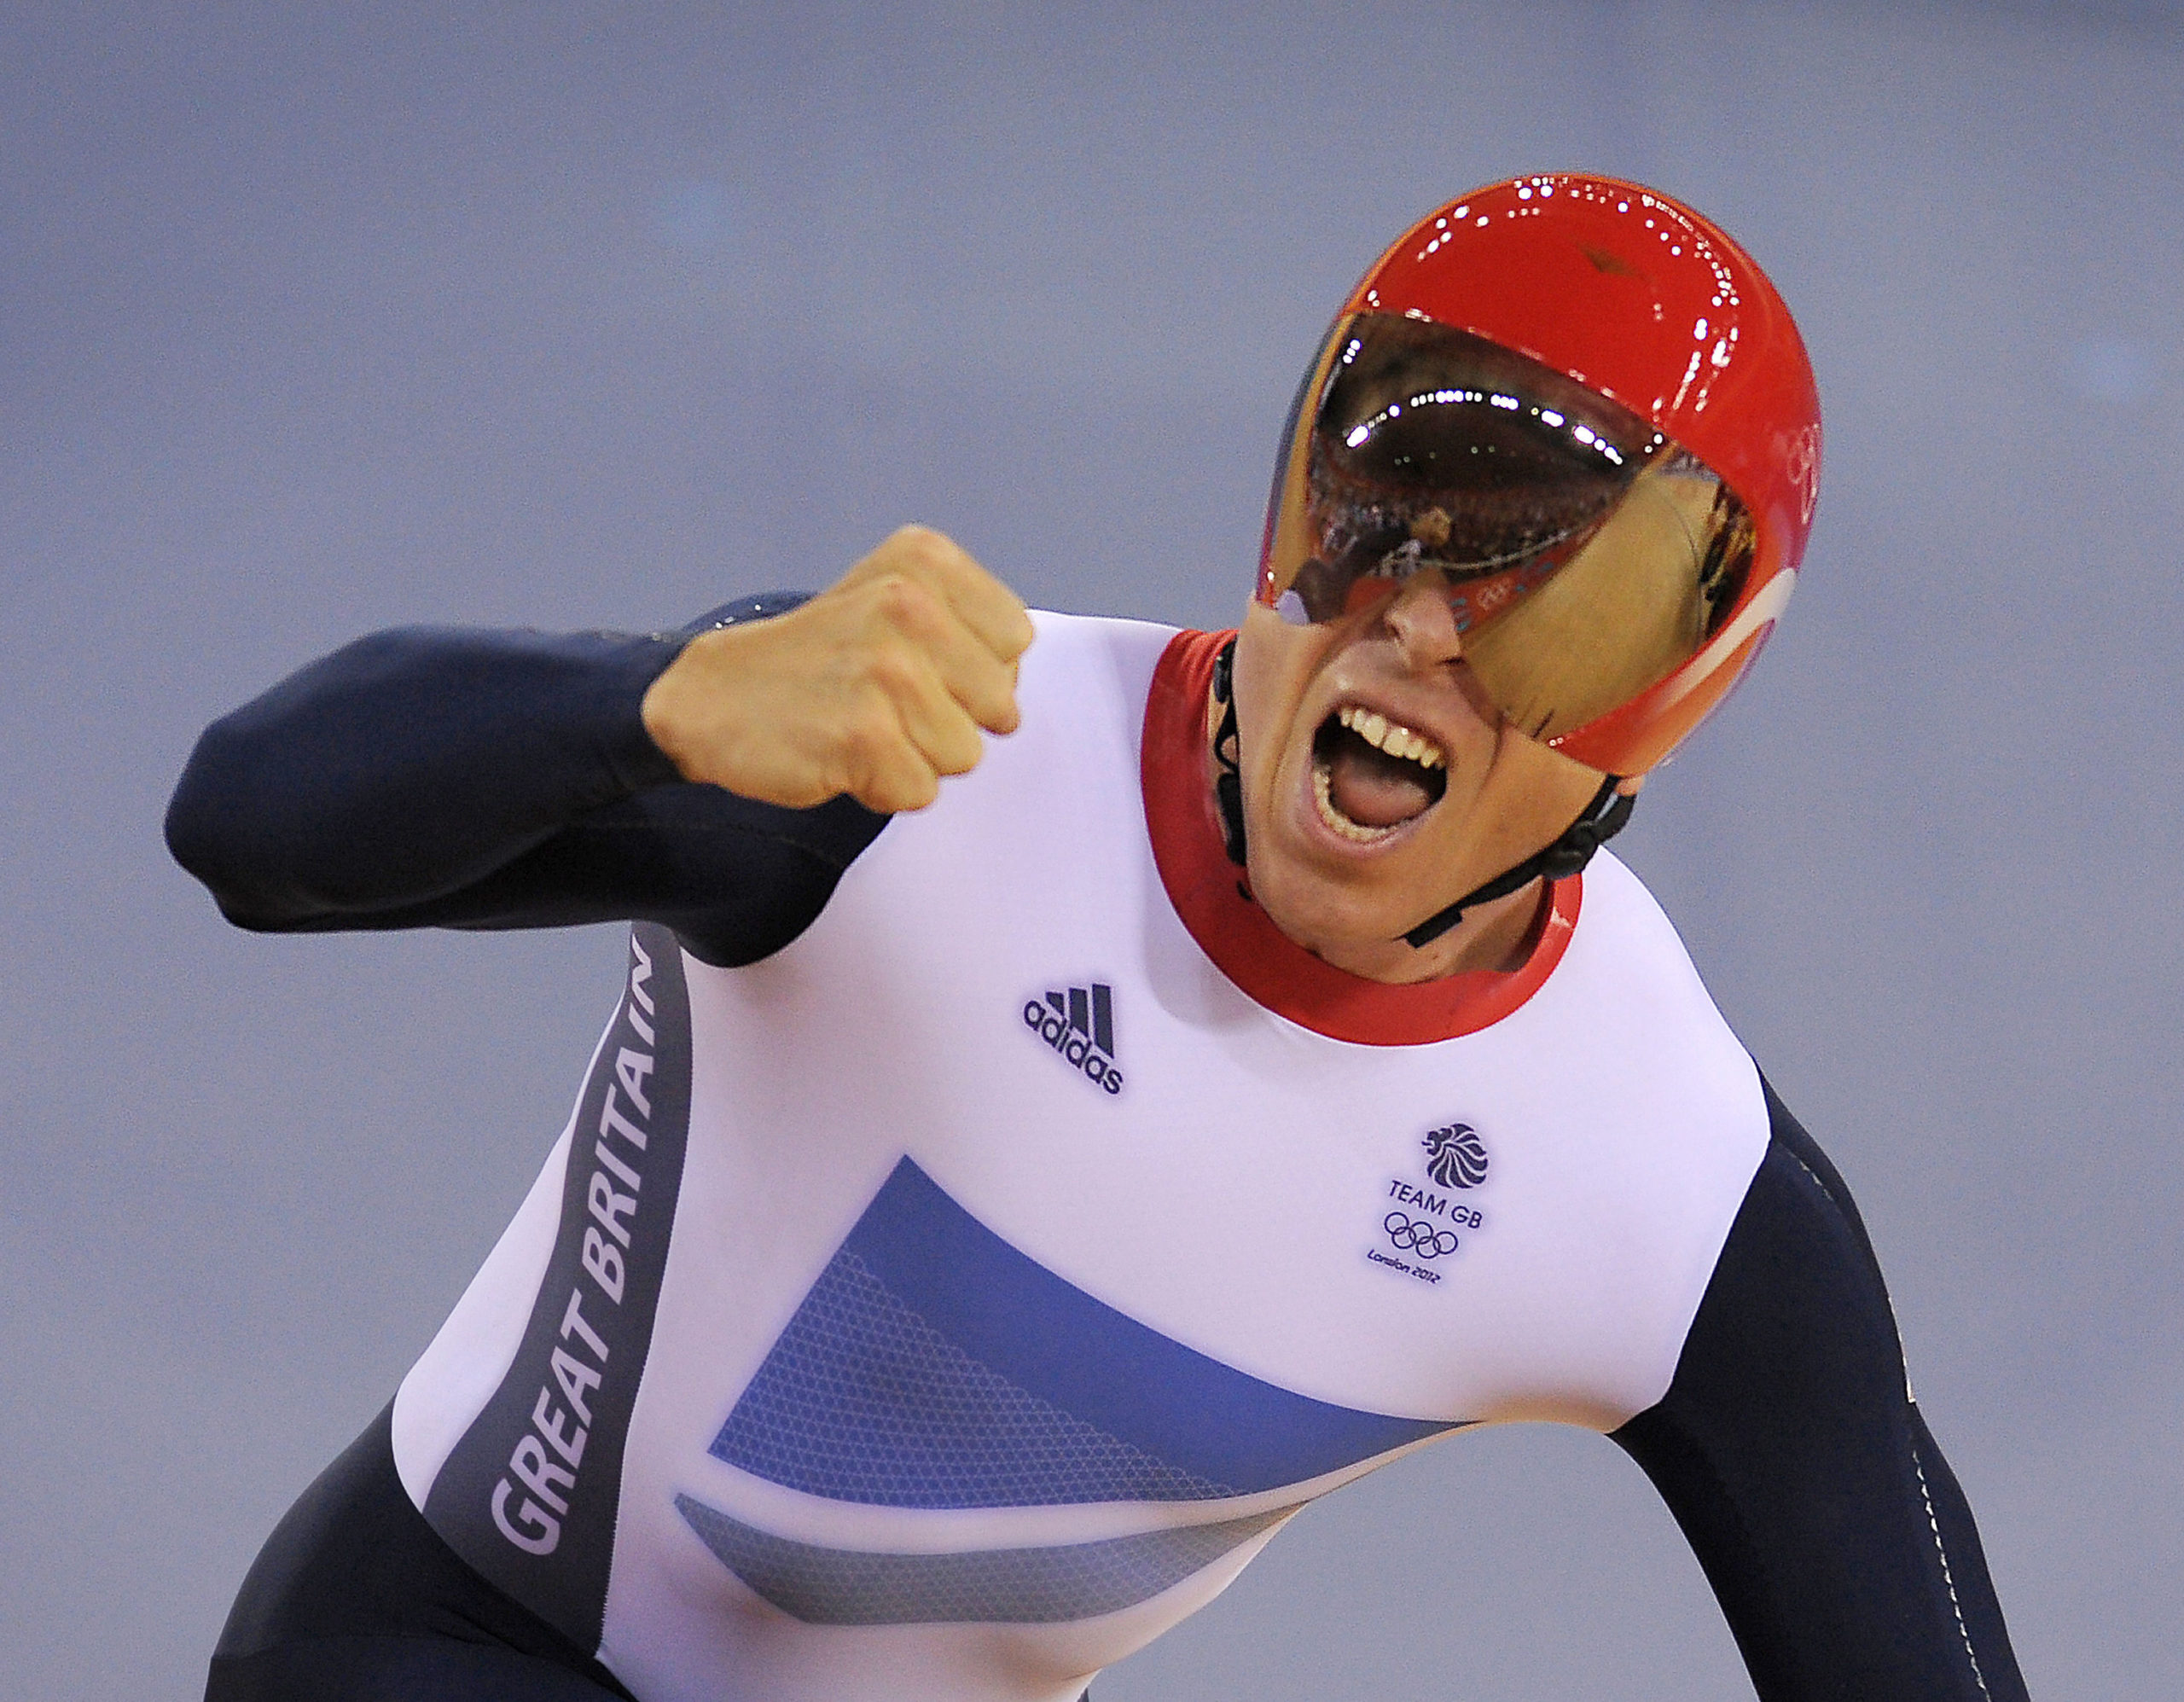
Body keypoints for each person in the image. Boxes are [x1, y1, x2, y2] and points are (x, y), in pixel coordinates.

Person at [168, 173, 2029, 1702]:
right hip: (449, 1645)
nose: (1416, 627)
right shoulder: (912, 759)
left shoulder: (1672, 1182)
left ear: (1666, 707)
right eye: (1377, 502)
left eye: (1550, 606)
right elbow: (249, 822)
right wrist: (652, 697)